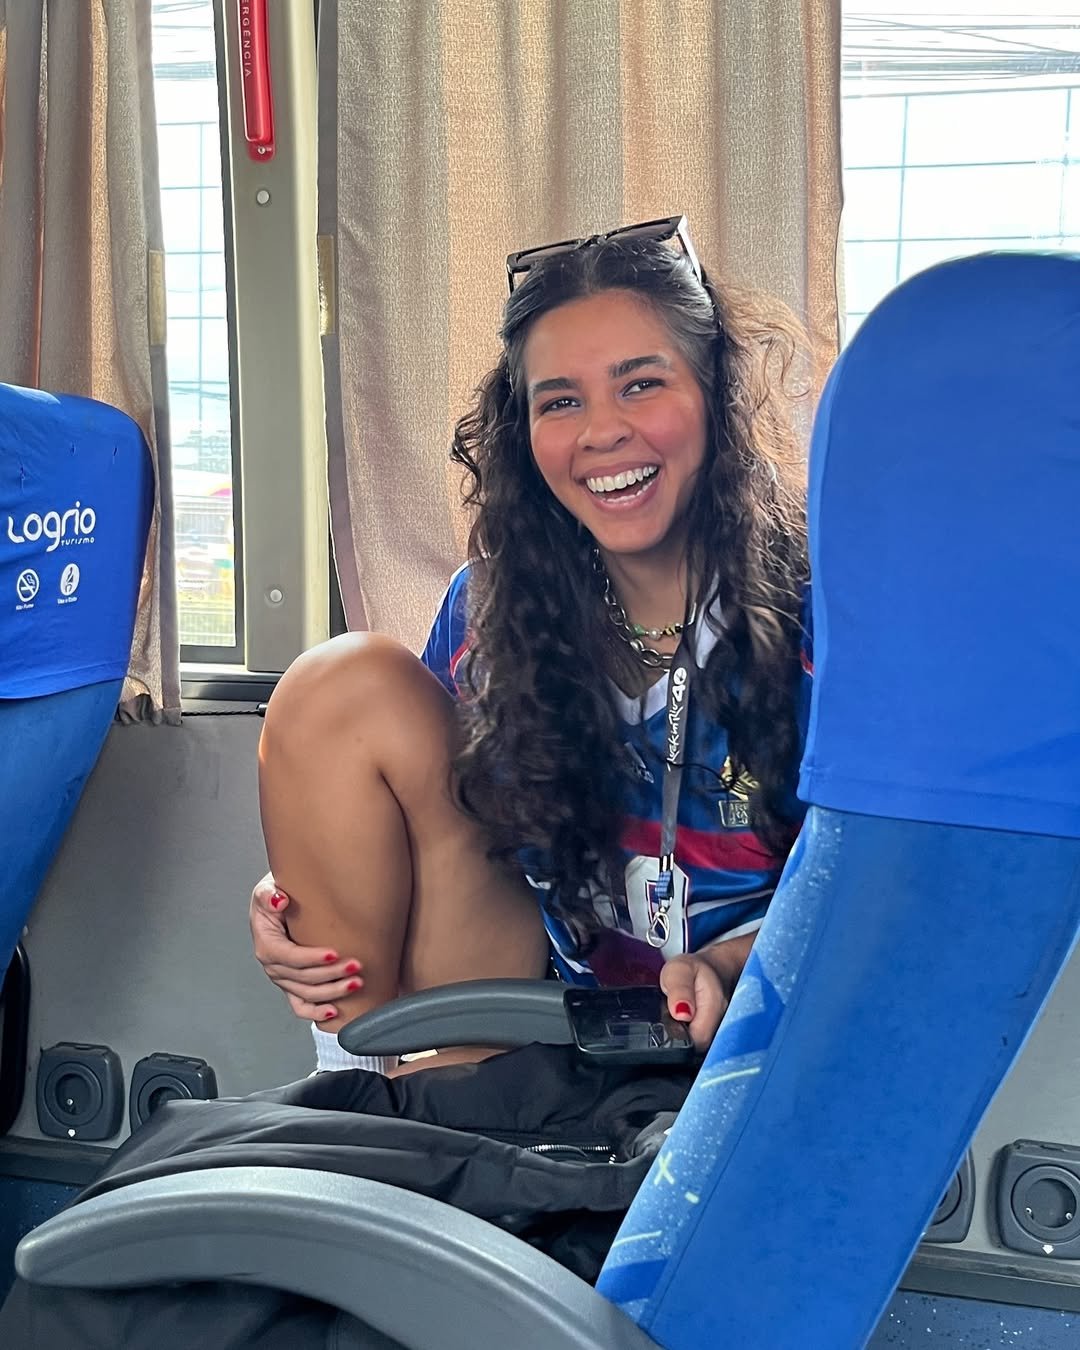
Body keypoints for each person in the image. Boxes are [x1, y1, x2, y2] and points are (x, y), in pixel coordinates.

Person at [253, 216, 812, 1074]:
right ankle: (369, 1100)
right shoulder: (491, 613)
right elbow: (410, 803)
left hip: (745, 1041)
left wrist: (730, 964)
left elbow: (880, 899)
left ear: (715, 393)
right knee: (341, 684)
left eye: (640, 384)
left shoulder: (823, 624)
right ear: (525, 432)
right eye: (561, 400)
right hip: (534, 1019)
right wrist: (310, 894)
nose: (601, 431)